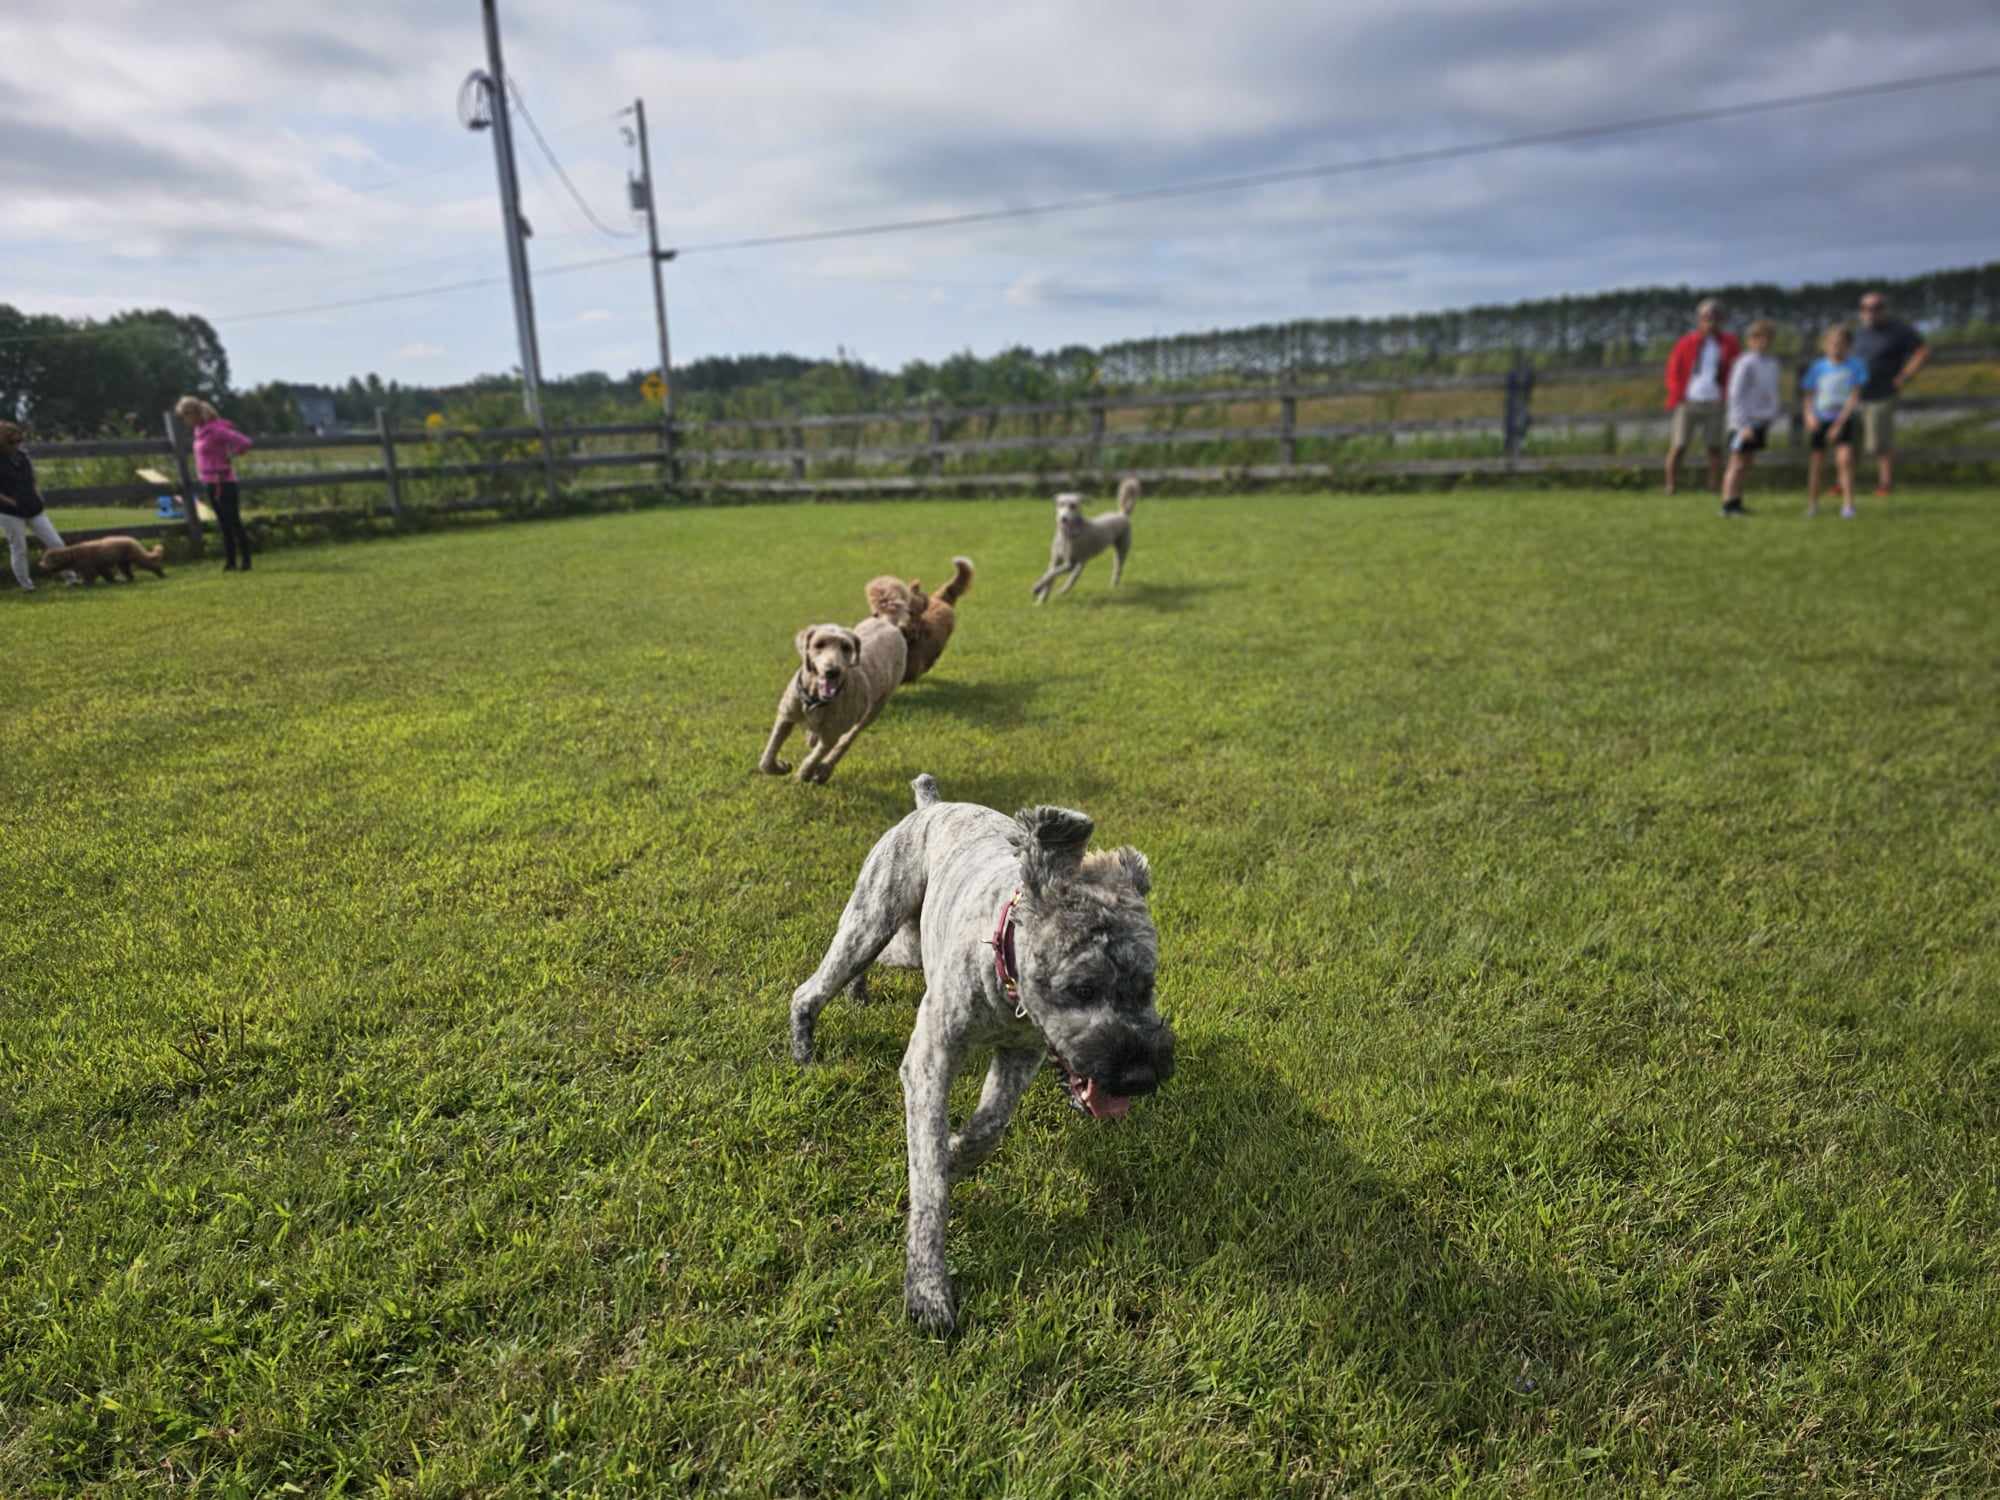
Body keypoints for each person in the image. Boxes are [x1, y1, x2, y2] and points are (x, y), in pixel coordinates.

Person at [1853, 290, 1928, 499]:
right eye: (1866, 308)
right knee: (1851, 440)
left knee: (1879, 443)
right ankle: (1845, 483)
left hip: (1883, 393)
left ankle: (1885, 484)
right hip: (1856, 394)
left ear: (1884, 309)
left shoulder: (1899, 330)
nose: (1870, 312)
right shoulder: (1858, 333)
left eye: (1876, 307)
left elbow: (1921, 351)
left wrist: (1904, 376)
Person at [1663, 298, 1739, 496]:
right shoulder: (1686, 343)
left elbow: (1736, 371)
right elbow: (1673, 370)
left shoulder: (1729, 344)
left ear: (1721, 320)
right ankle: (1671, 485)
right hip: (1688, 402)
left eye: (1714, 318)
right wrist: (1677, 395)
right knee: (1679, 445)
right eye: (1706, 318)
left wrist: (1727, 396)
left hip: (1715, 402)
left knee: (1714, 448)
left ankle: (1713, 486)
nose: (1710, 322)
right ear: (1699, 320)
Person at [0, 421, 81, 592]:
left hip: (34, 508)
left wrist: (38, 495)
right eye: (13, 442)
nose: (17, 444)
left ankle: (71, 577)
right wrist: (12, 502)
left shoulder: (23, 456)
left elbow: (32, 479)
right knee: (19, 547)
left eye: (19, 440)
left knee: (55, 542)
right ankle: (26, 585)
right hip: (10, 512)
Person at [176, 396, 255, 571]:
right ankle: (231, 561)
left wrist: (231, 455)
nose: (185, 421)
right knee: (223, 523)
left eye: (185, 416)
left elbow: (245, 442)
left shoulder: (216, 430)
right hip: (209, 483)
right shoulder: (199, 432)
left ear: (195, 414)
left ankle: (246, 560)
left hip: (224, 482)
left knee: (233, 521)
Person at [1801, 323, 1867, 519]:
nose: (1836, 347)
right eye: (1832, 343)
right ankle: (1813, 504)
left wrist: (1839, 424)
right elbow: (1809, 394)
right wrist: (1809, 416)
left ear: (1848, 345)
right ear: (1825, 345)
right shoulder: (1818, 367)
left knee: (1845, 460)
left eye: (1841, 343)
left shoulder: (1855, 366)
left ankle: (1848, 505)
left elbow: (1854, 397)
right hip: (1820, 419)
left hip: (1843, 418)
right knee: (1816, 463)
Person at [1719, 319, 1781, 517]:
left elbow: (1772, 392)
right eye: (1758, 337)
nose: (1763, 341)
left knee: (1747, 463)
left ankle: (1737, 501)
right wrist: (1742, 425)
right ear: (1750, 340)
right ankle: (1727, 505)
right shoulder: (1745, 362)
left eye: (1767, 337)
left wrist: (1771, 415)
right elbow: (1735, 394)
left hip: (1760, 422)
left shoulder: (1772, 364)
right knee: (1736, 463)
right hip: (1742, 423)